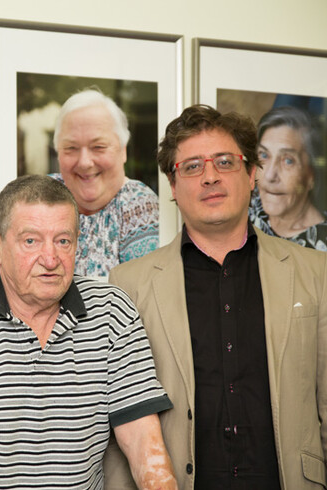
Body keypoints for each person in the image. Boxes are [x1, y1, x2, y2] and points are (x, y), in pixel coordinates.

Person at [0, 175, 176, 489]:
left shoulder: (113, 313)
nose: (50, 259)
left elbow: (144, 445)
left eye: (63, 241)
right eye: (31, 240)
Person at [107, 105, 327, 489]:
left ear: (251, 174)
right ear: (173, 188)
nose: (210, 176)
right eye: (191, 166)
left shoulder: (315, 274)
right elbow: (120, 425)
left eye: (224, 162)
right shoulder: (129, 285)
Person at [52, 89, 159, 278]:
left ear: (123, 151)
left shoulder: (139, 205)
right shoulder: (42, 195)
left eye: (98, 147)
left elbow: (139, 295)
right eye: (71, 148)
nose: (85, 162)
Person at [250, 105, 327, 250]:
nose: (270, 175)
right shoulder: (248, 207)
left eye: (288, 161)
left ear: (311, 175)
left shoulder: (321, 246)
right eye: (264, 155)